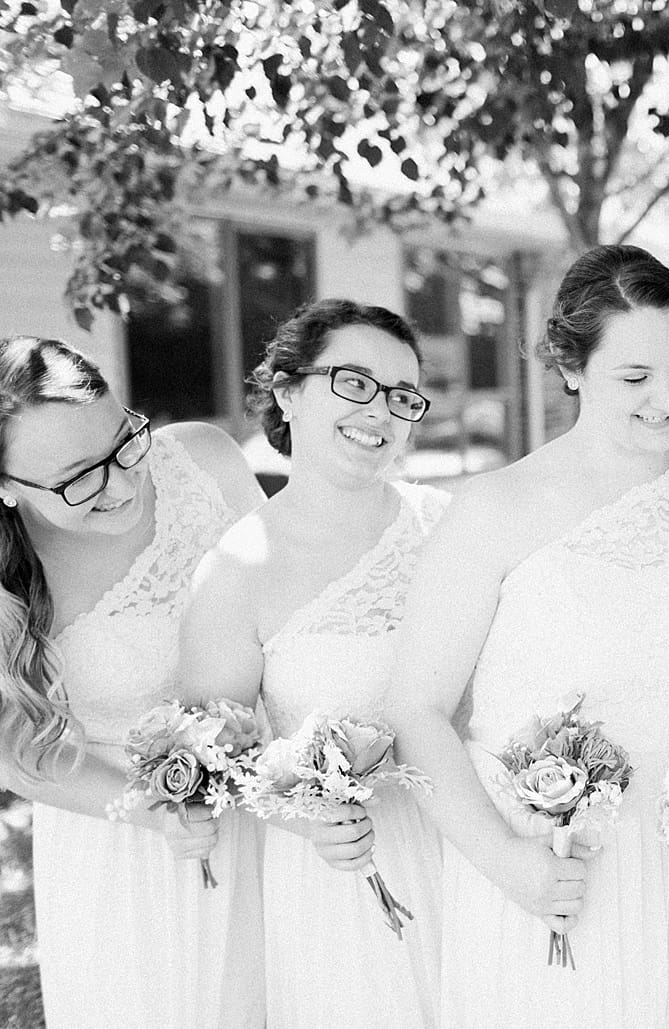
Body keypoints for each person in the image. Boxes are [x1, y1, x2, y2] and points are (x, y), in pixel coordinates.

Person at [386, 244, 669, 1027]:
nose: (666, 399)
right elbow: (416, 710)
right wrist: (507, 863)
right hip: (552, 878)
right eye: (633, 377)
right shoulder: (493, 509)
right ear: (570, 365)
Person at [177, 300, 448, 1027]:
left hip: (470, 851)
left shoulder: (450, 527)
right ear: (289, 390)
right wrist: (301, 812)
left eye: (401, 395)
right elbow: (208, 750)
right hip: (342, 876)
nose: (381, 412)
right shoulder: (239, 566)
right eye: (355, 382)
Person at [0, 335, 265, 1028]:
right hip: (118, 838)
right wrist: (152, 809)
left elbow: (293, 608)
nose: (121, 484)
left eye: (125, 442)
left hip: (272, 813)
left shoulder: (203, 460)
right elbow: (17, 752)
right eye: (77, 477)